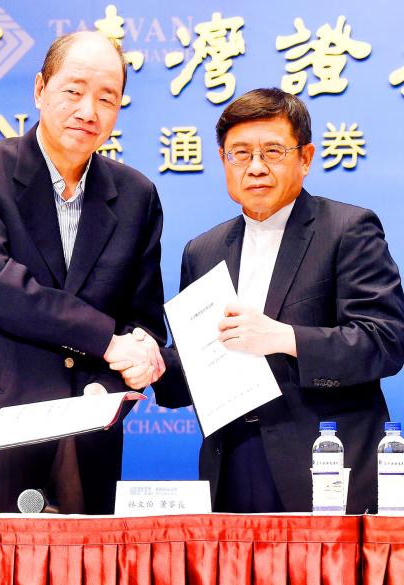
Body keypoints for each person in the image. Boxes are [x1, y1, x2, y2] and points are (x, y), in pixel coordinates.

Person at [0, 31, 166, 514]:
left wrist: (124, 375)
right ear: (40, 89)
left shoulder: (136, 196)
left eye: (106, 99)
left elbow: (143, 321)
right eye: (73, 91)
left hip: (85, 440)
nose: (88, 111)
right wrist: (108, 342)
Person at [149, 88, 404, 514]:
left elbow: (385, 342)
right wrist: (154, 364)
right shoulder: (202, 250)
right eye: (240, 154)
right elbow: (198, 362)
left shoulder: (348, 229)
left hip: (323, 462)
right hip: (231, 458)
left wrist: (285, 338)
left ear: (305, 158)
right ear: (223, 160)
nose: (256, 167)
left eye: (272, 151)